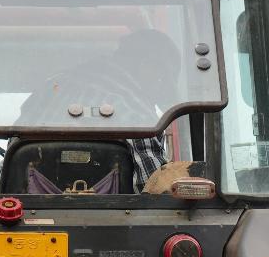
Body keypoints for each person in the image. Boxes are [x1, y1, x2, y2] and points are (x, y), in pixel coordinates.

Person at [16, 28, 182, 187]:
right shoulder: (135, 111)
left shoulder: (50, 89)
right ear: (149, 67)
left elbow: (9, 166)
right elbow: (153, 186)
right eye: (163, 81)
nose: (159, 92)